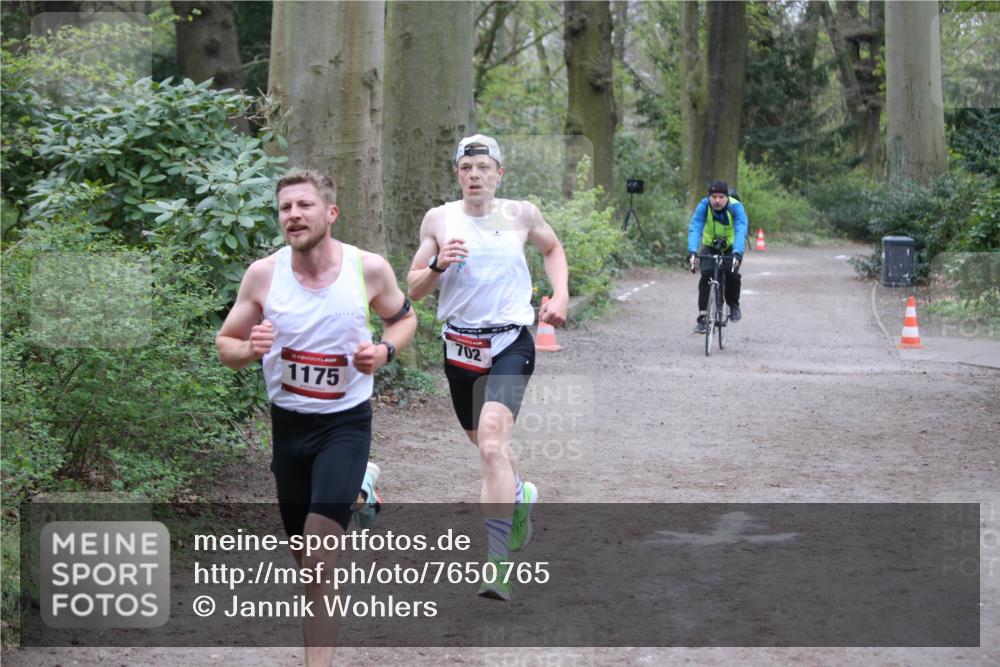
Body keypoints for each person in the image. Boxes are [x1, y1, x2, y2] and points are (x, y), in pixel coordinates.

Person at [216, 169, 416, 664]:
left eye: (304, 205)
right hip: (288, 429)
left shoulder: (367, 269)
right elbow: (227, 345)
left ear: (330, 213)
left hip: (345, 424)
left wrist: (385, 352)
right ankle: (360, 490)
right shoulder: (264, 274)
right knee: (307, 563)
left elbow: (404, 316)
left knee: (320, 554)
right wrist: (249, 348)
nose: (293, 215)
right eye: (285, 208)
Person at [406, 134, 568, 601]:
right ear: (457, 174)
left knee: (493, 443)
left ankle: (497, 564)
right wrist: (437, 264)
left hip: (511, 341)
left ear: (500, 174)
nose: (474, 175)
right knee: (487, 447)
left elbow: (552, 249)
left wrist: (559, 295)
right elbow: (413, 289)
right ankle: (521, 494)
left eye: (483, 167)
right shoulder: (439, 219)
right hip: (459, 347)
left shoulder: (522, 214)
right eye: (466, 168)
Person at [687, 179, 748, 333]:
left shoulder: (736, 207)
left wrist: (737, 253)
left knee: (732, 274)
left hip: (731, 248)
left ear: (727, 197)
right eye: (714, 197)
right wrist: (693, 251)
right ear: (709, 197)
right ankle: (703, 316)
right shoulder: (704, 206)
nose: (717, 200)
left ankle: (733, 305)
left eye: (721, 197)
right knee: (706, 275)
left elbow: (741, 230)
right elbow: (696, 227)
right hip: (710, 246)